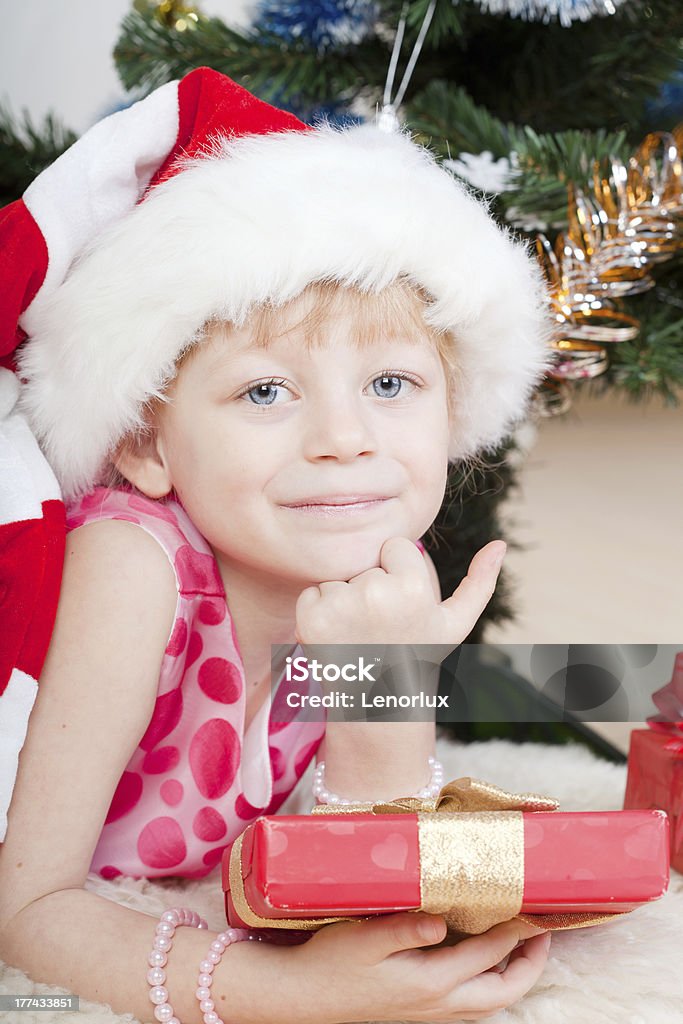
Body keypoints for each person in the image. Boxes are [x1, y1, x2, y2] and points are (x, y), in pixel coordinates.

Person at [0, 67, 555, 1023]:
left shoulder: (370, 578)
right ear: (143, 441)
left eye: (390, 384)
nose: (345, 438)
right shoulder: (133, 571)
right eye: (265, 392)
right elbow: (27, 910)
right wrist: (276, 989)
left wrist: (385, 685)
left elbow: (358, 859)